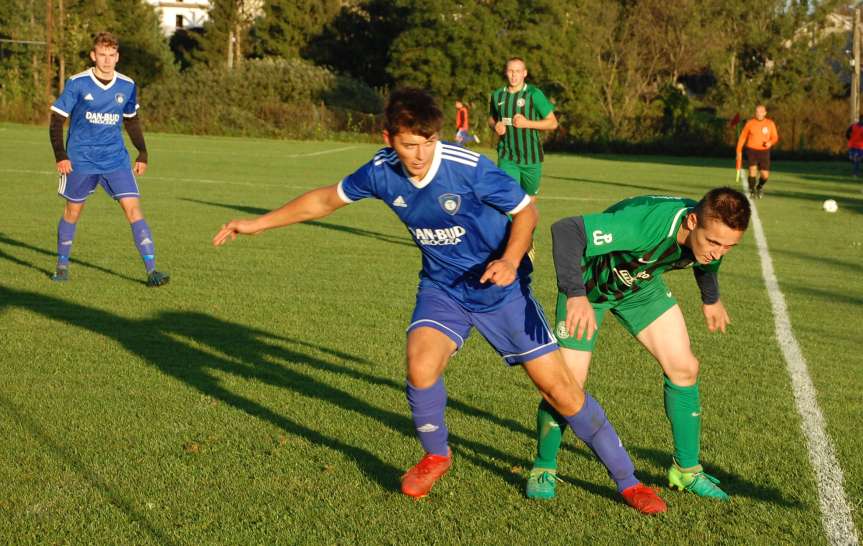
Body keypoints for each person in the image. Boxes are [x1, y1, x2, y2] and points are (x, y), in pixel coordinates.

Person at [212, 88, 665, 513]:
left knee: (560, 391)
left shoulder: (468, 168)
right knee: (420, 365)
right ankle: (436, 456)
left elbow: (526, 211)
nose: (420, 154)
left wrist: (509, 260)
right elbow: (325, 201)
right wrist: (257, 223)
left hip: (501, 290)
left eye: (428, 142)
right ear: (388, 138)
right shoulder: (380, 170)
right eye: (410, 144)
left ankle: (627, 480)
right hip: (443, 289)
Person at [525, 188, 751, 503]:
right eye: (714, 242)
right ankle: (543, 466)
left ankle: (686, 470)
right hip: (589, 287)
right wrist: (574, 293)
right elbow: (567, 229)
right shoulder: (645, 225)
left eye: (729, 246)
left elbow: (709, 260)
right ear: (691, 221)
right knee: (567, 385)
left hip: (639, 288)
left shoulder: (707, 237)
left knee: (684, 368)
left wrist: (710, 298)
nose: (719, 252)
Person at [48, 32, 168, 286]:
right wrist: (61, 155)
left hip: (115, 159)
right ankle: (61, 264)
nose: (106, 60)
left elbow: (131, 120)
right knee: (72, 212)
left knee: (134, 209)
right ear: (93, 56)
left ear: (117, 57)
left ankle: (152, 270)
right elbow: (57, 120)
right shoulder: (78, 83)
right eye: (101, 55)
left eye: (111, 55)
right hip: (81, 159)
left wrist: (142, 152)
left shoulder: (127, 85)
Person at [487, 57, 558, 201]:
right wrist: (496, 125)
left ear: (524, 73)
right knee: (511, 198)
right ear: (506, 72)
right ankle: (512, 224)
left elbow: (552, 123)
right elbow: (491, 119)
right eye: (510, 71)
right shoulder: (497, 95)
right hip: (507, 157)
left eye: (518, 71)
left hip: (531, 158)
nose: (514, 75)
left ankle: (527, 224)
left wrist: (527, 123)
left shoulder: (534, 94)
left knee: (529, 199)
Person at [735, 105, 779, 199]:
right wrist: (739, 149)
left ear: (765, 113)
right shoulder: (750, 123)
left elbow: (775, 137)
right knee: (752, 170)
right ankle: (752, 190)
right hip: (752, 150)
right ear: (755, 113)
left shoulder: (770, 123)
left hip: (764, 151)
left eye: (761, 112)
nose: (759, 114)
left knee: (765, 175)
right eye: (757, 112)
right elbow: (743, 137)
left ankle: (759, 186)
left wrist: (770, 142)